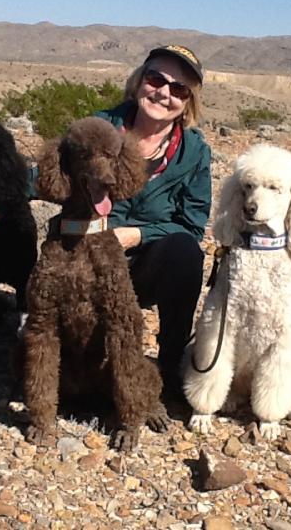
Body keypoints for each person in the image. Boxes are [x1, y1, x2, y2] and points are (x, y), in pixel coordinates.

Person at [94, 45, 211, 395]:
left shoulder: (193, 152)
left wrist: (137, 235)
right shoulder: (100, 127)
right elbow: (55, 175)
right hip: (90, 255)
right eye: (156, 78)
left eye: (178, 89)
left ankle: (171, 362)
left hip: (144, 265)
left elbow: (191, 225)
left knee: (186, 251)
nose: (163, 93)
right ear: (139, 80)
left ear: (188, 102)